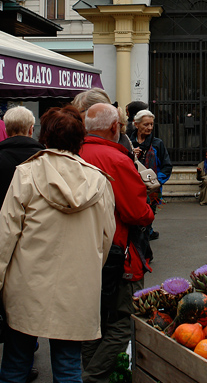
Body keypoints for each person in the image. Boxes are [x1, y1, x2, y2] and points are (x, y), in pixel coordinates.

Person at [0, 106, 116, 383]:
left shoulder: (27, 174)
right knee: (68, 367)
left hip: (26, 284)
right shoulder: (98, 181)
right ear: (80, 139)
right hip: (76, 287)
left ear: (45, 137)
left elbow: (5, 236)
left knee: (16, 363)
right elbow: (105, 239)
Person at [79, 104, 155, 382]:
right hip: (118, 253)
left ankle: (90, 374)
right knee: (123, 322)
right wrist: (149, 206)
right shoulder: (116, 158)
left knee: (93, 323)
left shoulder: (75, 153)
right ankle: (92, 377)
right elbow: (137, 213)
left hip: (83, 254)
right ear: (115, 127)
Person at [0, 106, 45, 258]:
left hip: (0, 234)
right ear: (31, 130)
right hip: (38, 235)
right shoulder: (44, 158)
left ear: (6, 130)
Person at [131, 109, 172, 240]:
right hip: (132, 186)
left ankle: (147, 234)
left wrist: (156, 182)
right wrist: (130, 155)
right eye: (145, 124)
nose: (149, 128)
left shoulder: (157, 143)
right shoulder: (127, 142)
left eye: (151, 124)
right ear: (136, 124)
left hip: (151, 188)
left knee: (149, 213)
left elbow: (166, 166)